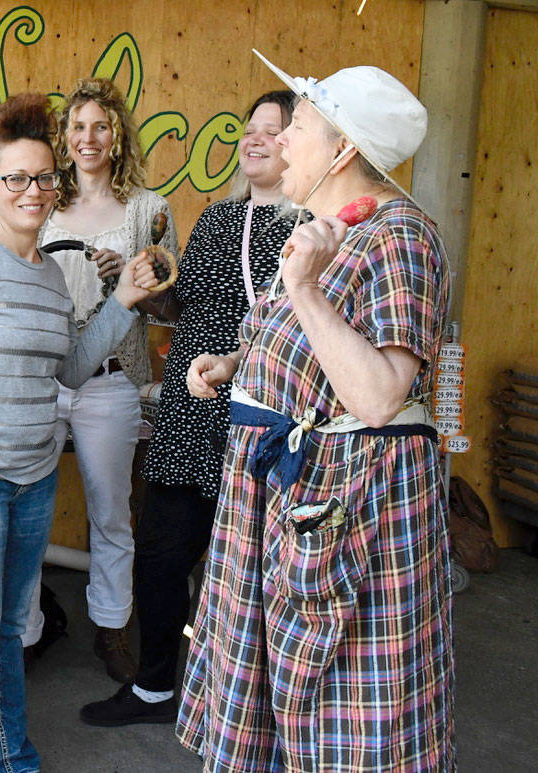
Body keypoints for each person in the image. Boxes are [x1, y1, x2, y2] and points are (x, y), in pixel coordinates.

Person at [176, 54, 452, 770]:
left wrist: (303, 287)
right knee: (269, 706)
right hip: (277, 498)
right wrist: (238, 367)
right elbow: (304, 351)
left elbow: (381, 393)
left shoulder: (401, 237)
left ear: (344, 148)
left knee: (345, 716)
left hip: (346, 517)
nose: (280, 140)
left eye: (297, 124)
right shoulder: (323, 224)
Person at [0, 94, 157, 772]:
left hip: (34, 478)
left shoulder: (50, 277)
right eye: (15, 177)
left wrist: (123, 302)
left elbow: (69, 368)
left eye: (44, 177)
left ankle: (12, 757)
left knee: (11, 632)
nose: (32, 190)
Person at [78, 90, 296, 727]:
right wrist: (139, 289)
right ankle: (153, 690)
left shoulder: (310, 229)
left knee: (251, 569)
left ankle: (251, 707)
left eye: (272, 131)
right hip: (187, 412)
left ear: (302, 143)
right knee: (161, 553)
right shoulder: (218, 220)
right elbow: (183, 313)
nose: (253, 139)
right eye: (249, 128)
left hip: (261, 417)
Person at [23, 77, 178, 681]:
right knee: (28, 507)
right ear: (65, 137)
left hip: (112, 379)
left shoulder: (148, 209)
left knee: (111, 512)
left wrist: (131, 287)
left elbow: (170, 305)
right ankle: (28, 630)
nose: (88, 138)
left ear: (118, 137)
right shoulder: (41, 202)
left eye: (100, 127)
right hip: (44, 377)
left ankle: (112, 629)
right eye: (78, 127)